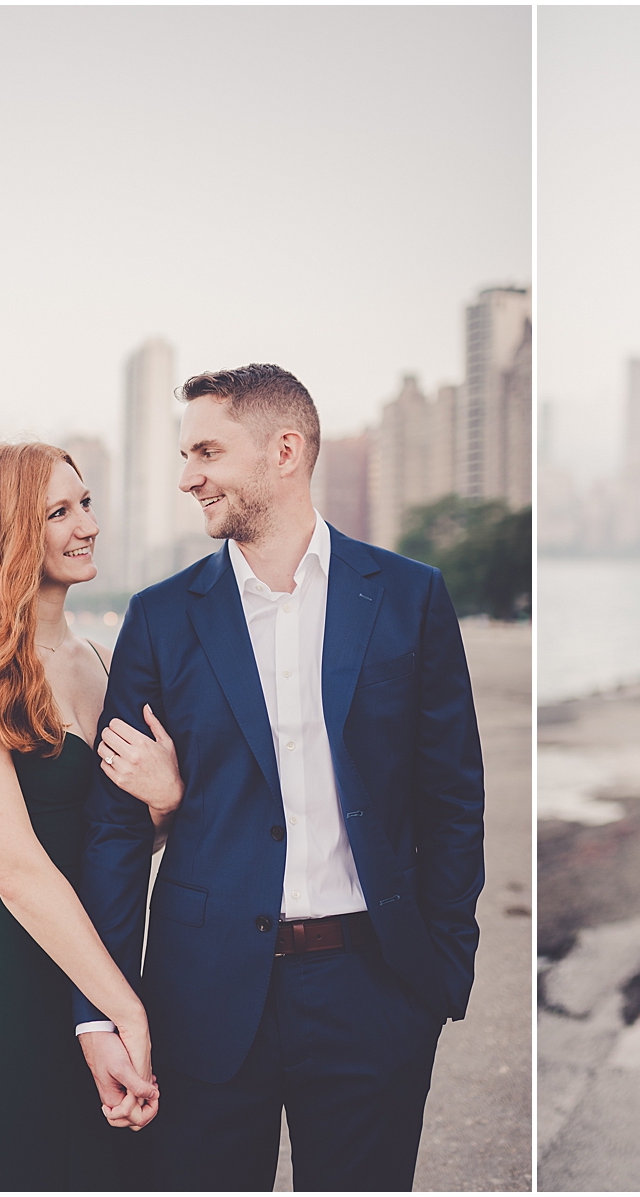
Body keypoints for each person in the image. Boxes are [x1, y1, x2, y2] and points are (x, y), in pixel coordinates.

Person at [73, 363, 485, 1191]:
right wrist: (103, 1011)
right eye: (185, 454)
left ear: (285, 450)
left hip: (374, 992)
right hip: (202, 997)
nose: (188, 476)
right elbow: (116, 830)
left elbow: (452, 799)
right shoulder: (160, 615)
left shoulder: (409, 597)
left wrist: (440, 973)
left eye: (207, 452)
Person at [0, 442, 184, 1190]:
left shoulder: (105, 659)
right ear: (8, 533)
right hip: (11, 997)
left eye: (86, 502)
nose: (85, 524)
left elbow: (120, 841)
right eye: (58, 512)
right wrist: (122, 1006)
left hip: (96, 983)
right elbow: (18, 869)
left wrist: (165, 801)